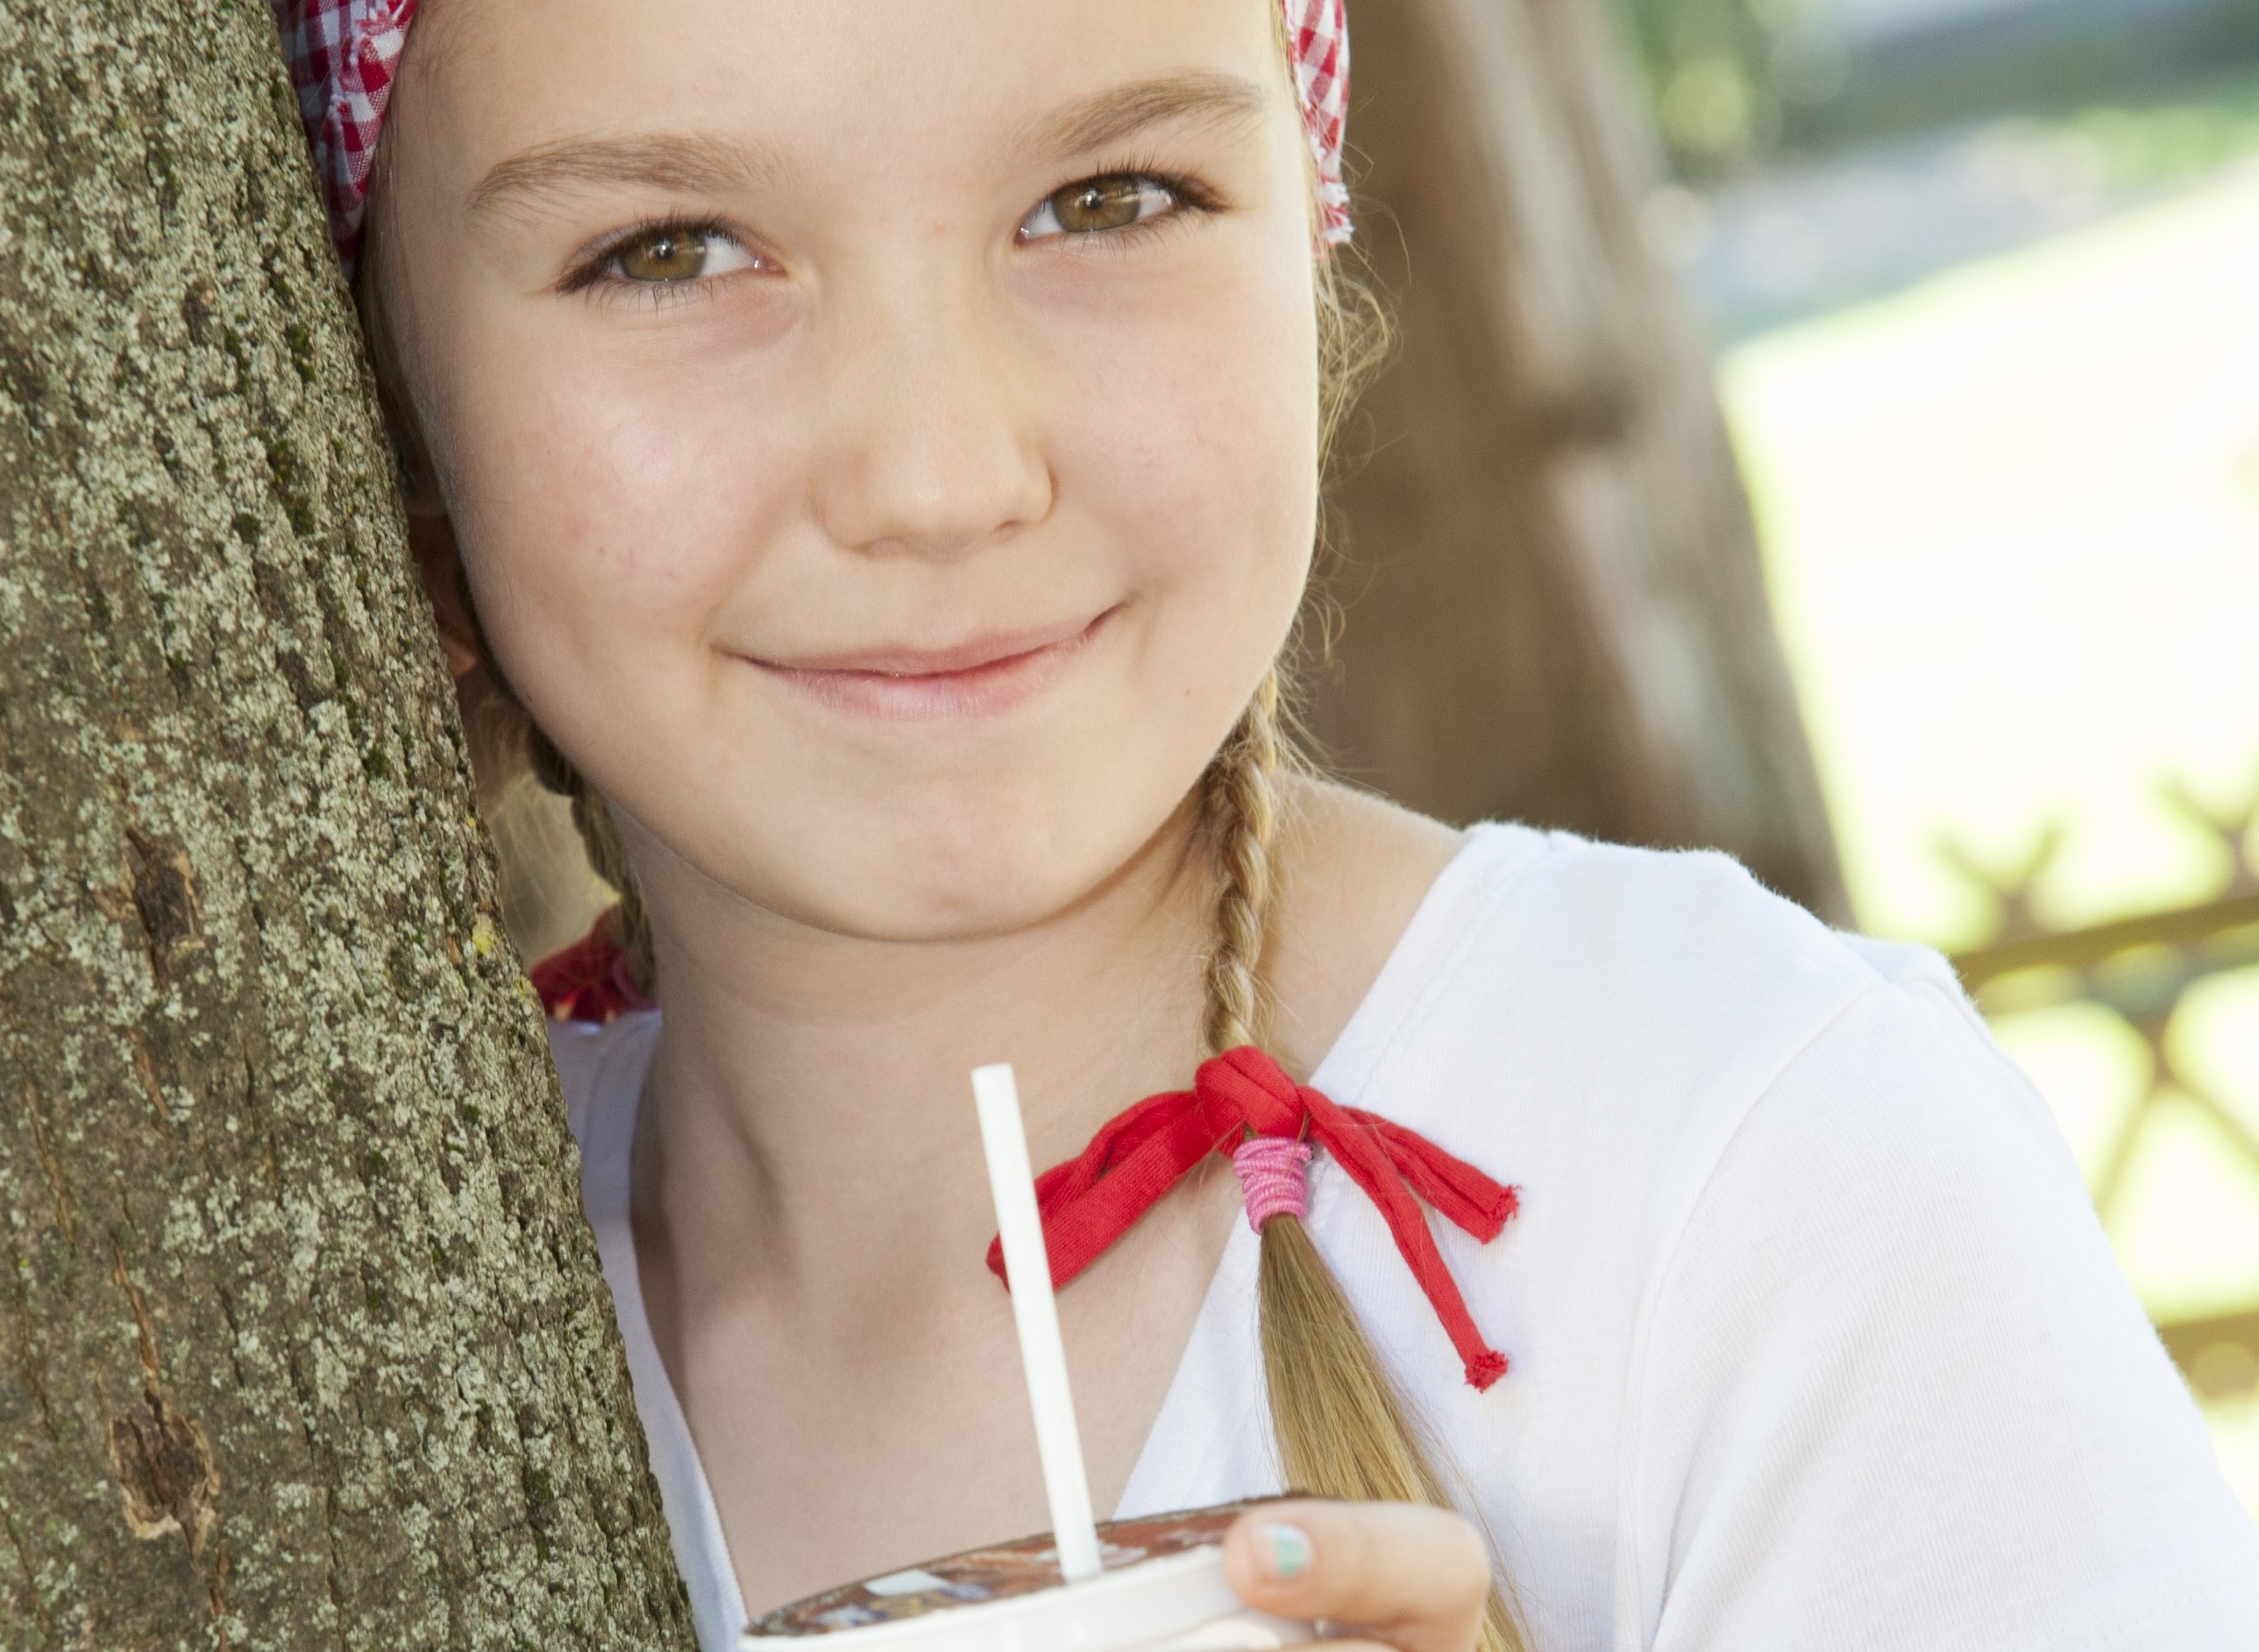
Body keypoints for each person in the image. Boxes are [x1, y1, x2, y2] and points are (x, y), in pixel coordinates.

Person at [271, 2, 2259, 1648]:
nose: (942, 475)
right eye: (668, 250)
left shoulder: (1748, 1163)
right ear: (392, 404)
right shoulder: (329, 1327)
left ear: (1306, 256)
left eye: (1107, 198)